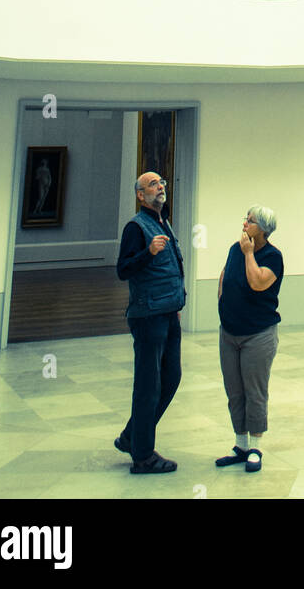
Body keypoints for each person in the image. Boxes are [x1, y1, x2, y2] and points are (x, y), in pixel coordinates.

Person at [114, 173, 186, 474]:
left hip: (168, 312)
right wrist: (148, 252)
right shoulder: (136, 227)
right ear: (140, 196)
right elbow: (123, 269)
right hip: (148, 316)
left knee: (171, 377)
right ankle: (142, 456)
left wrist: (175, 304)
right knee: (148, 385)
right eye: (153, 185)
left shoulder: (162, 221)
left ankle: (132, 436)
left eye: (162, 184)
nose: (161, 187)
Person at [215, 205, 283, 474]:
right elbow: (224, 275)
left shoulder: (273, 256)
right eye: (245, 219)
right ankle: (240, 445)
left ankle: (255, 446)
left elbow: (257, 282)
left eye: (251, 221)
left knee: (255, 391)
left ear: (263, 229)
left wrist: (248, 254)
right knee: (234, 390)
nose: (245, 224)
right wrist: (222, 301)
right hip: (229, 332)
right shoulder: (235, 248)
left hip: (258, 334)